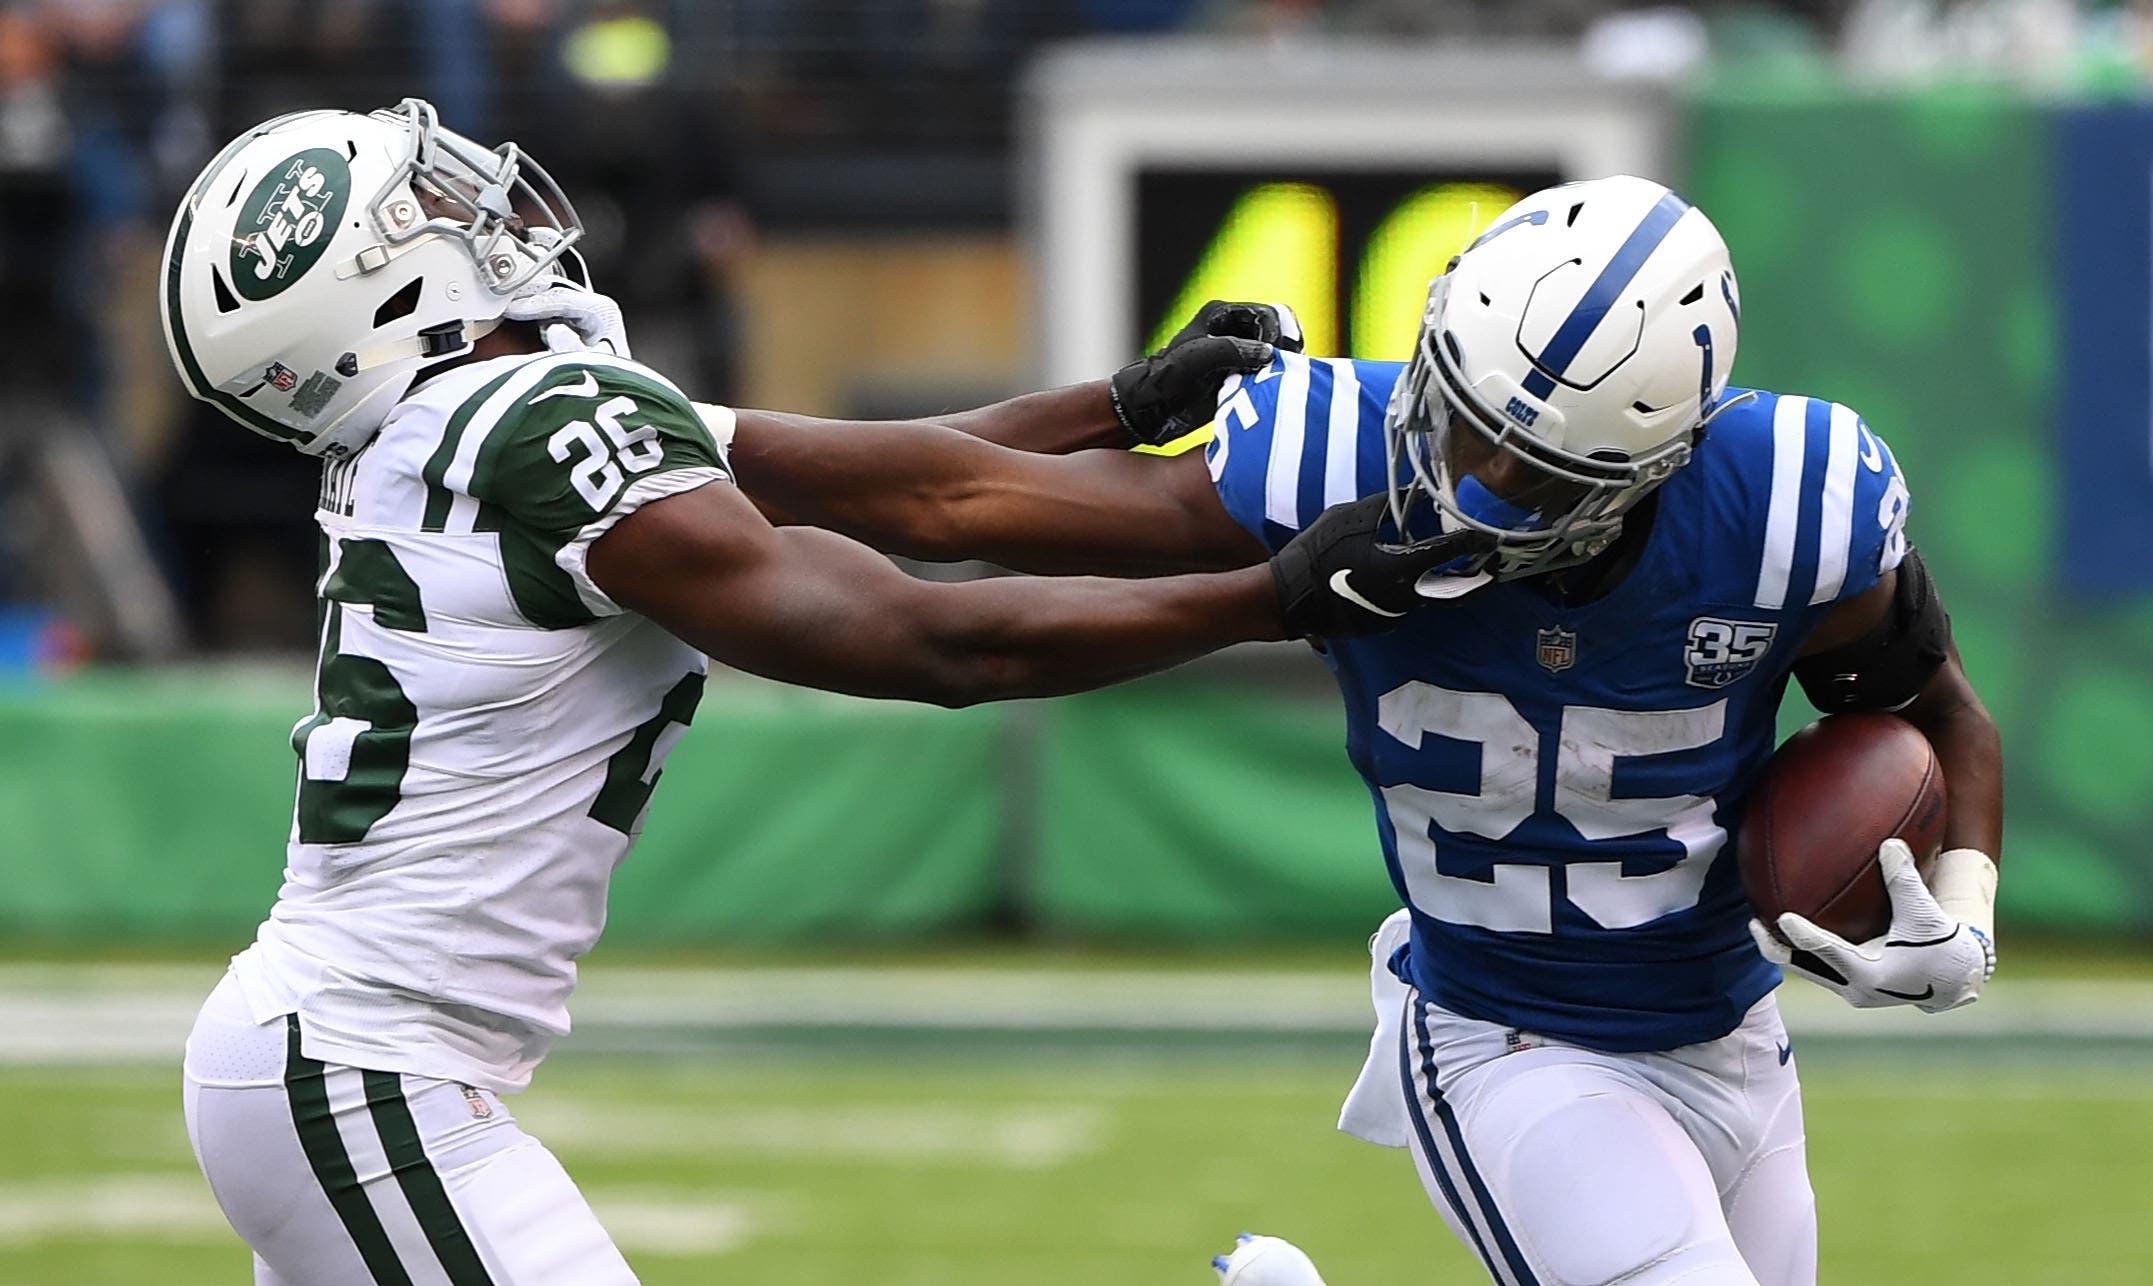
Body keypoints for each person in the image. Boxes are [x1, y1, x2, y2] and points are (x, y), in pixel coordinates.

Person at [161, 99, 1454, 1285]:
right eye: (428, 212)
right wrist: (1273, 600)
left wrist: (1114, 405)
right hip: (366, 1068)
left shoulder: (483, 425)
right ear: (384, 290)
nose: (478, 214)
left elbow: (902, 486)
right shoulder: (532, 425)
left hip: (340, 1060)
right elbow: (934, 645)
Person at [720, 176, 2005, 1286]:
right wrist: (685, 434)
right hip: (1509, 1035)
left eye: (1529, 468)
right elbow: (956, 502)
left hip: (1734, 1031)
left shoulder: (1785, 505)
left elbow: (1937, 714)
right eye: (1453, 410)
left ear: (1654, 463)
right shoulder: (1332, 451)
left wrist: (1967, 902)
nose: (1459, 472)